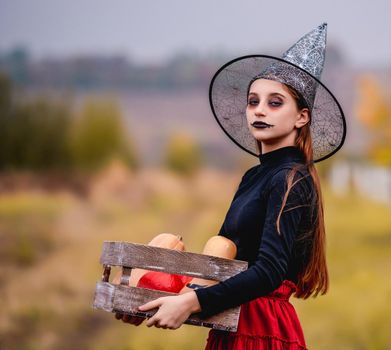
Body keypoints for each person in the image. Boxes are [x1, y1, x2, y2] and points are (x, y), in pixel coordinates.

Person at [116, 22, 346, 350]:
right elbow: (220, 265)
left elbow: (268, 272)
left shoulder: (292, 178)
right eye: (254, 101)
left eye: (275, 102)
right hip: (234, 324)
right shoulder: (254, 177)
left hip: (261, 328)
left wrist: (190, 303)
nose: (259, 110)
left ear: (301, 118)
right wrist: (153, 297)